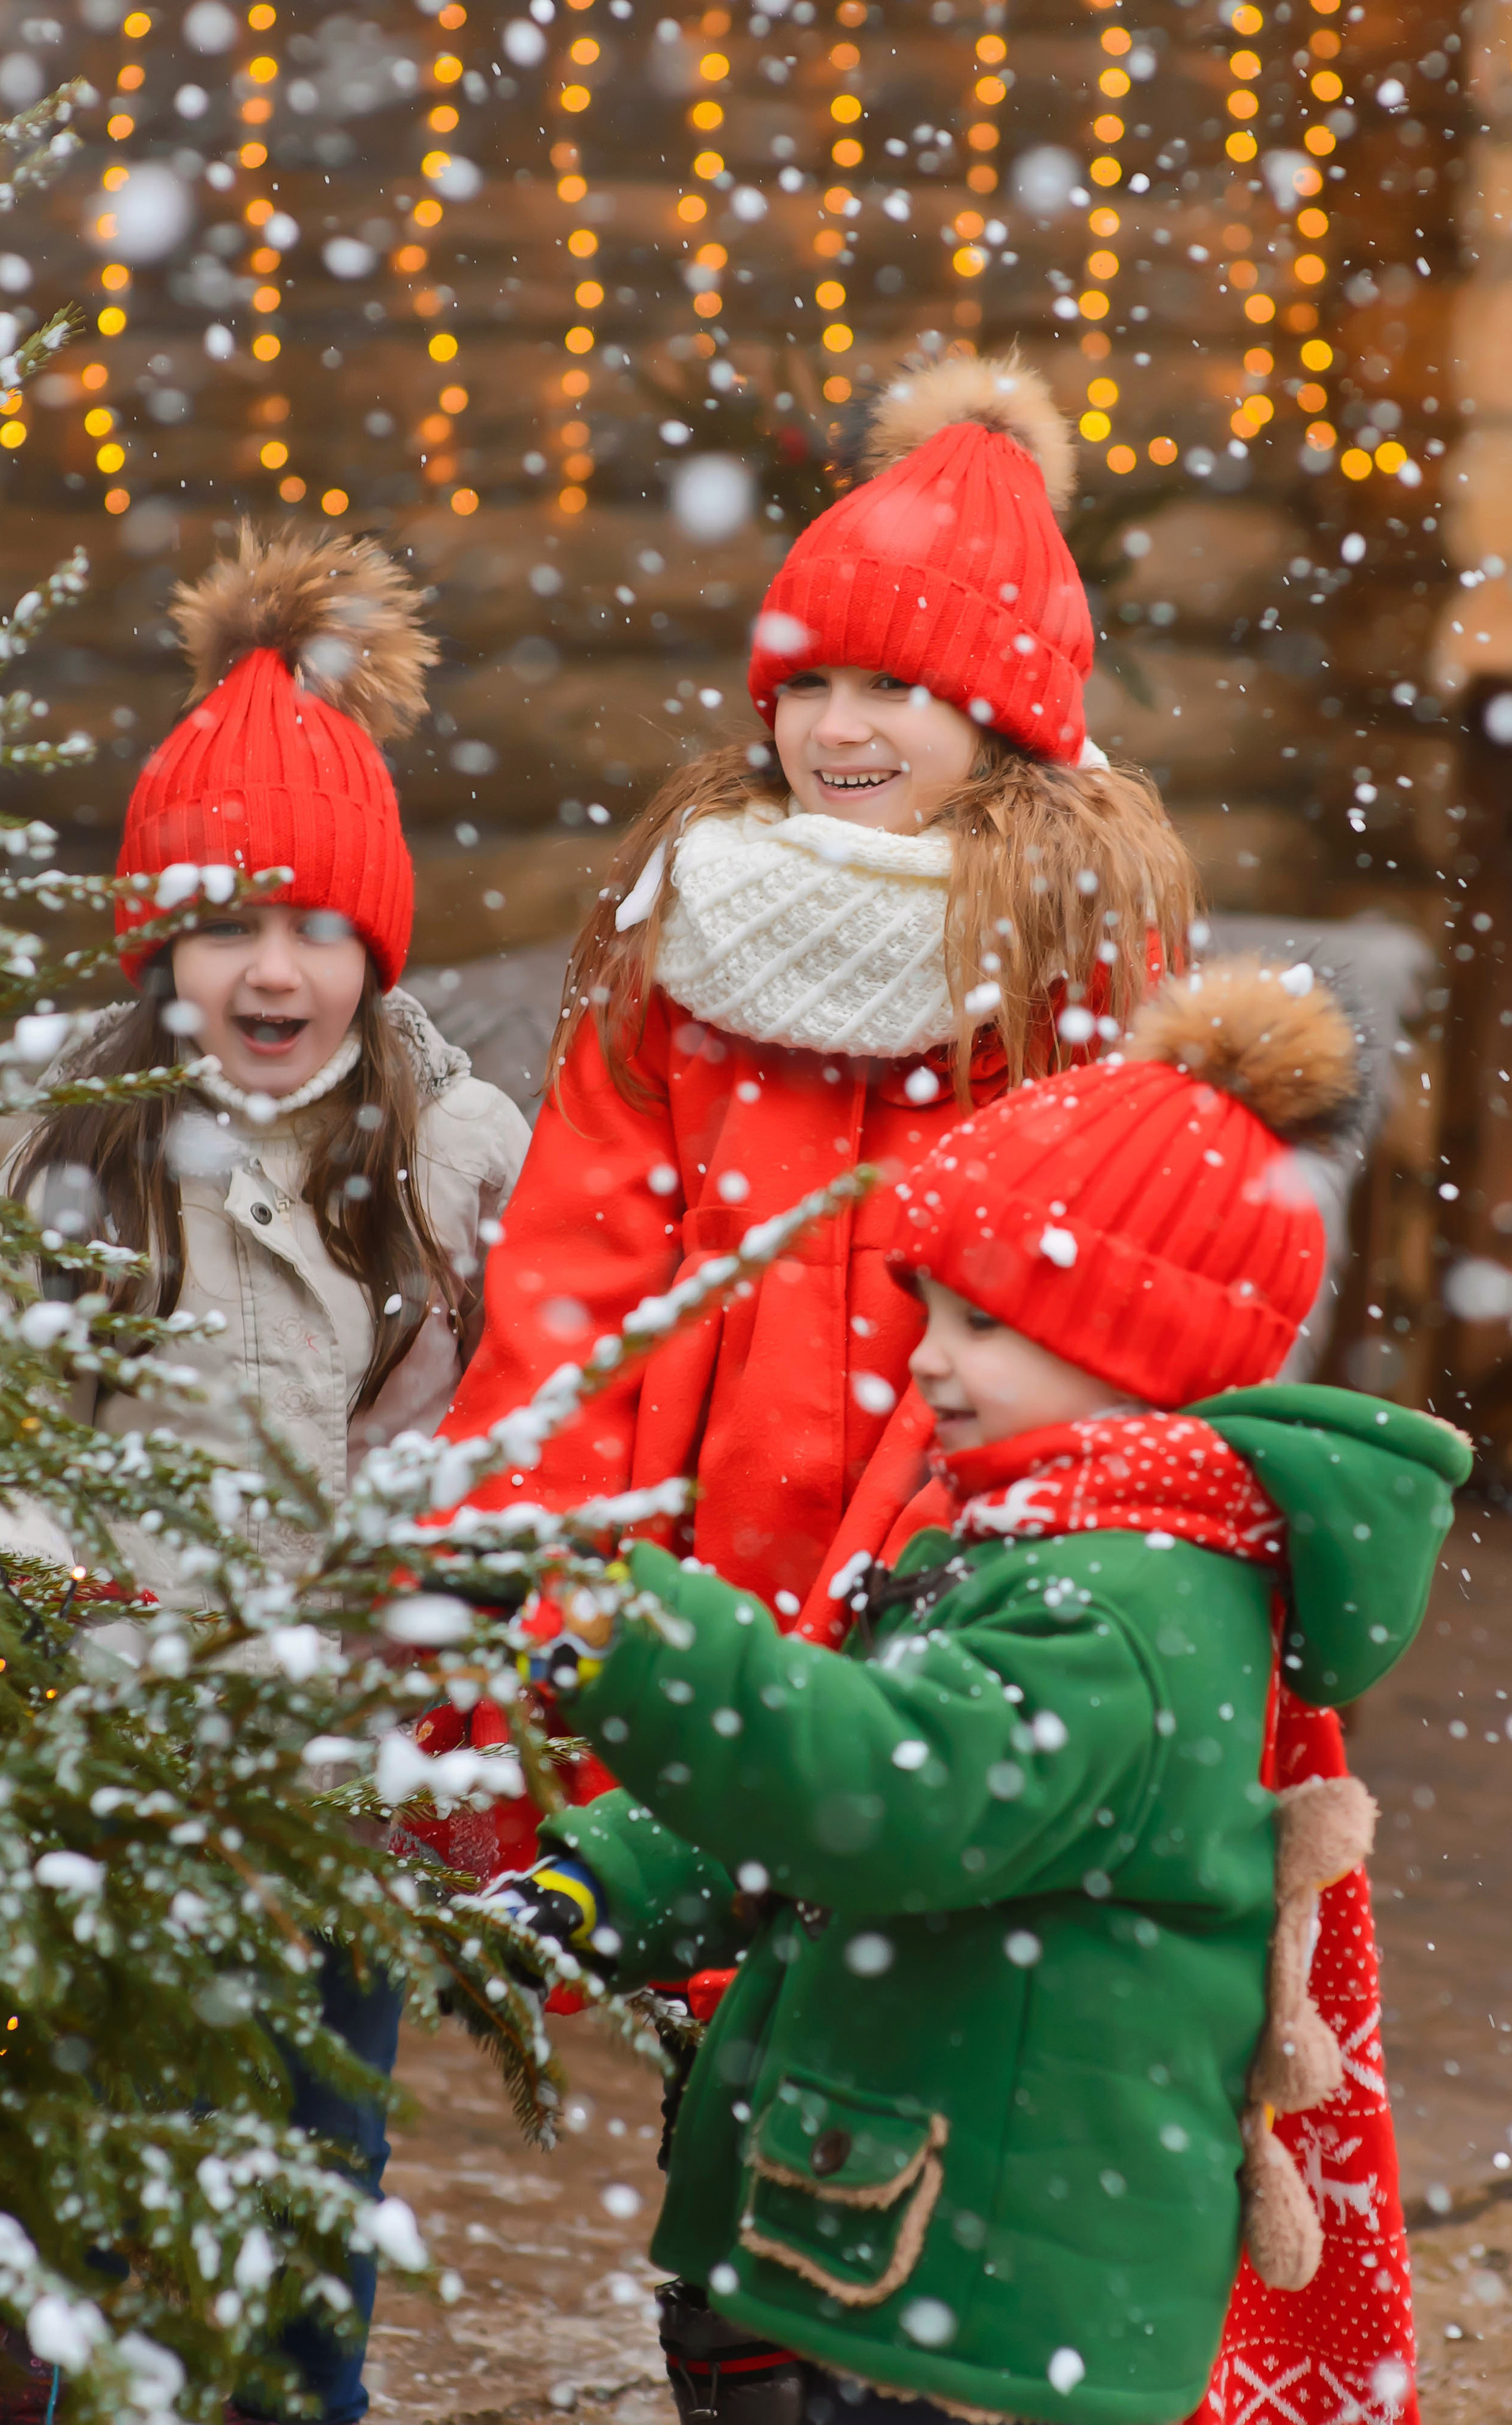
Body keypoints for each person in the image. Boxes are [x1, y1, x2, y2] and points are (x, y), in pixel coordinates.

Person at [502, 960, 1463, 2425]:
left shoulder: (1129, 1602)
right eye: (929, 1309)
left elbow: (891, 1794)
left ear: (1136, 1350)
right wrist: (609, 1875)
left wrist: (639, 1634)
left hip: (997, 2292)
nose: (927, 1359)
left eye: (980, 1327)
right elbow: (858, 1753)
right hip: (944, 2251)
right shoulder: (1037, 1541)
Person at [412, 352, 1198, 1882]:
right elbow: (576, 1263)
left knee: (878, 1933)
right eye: (807, 683)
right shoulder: (685, 929)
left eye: (895, 686)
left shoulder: (1073, 972)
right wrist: (520, 1516)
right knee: (677, 1924)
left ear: (1001, 717)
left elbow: (1088, 1304)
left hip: (933, 1539)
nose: (836, 727)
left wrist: (960, 1544)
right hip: (694, 1533)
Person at [0, 524, 530, 2425]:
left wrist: (419, 1613)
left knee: (313, 2157)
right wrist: (51, 1609)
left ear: (377, 947)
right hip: (108, 1750)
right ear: (161, 951)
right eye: (224, 925)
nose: (269, 969)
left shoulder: (457, 1164)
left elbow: (501, 1435)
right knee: (69, 2158)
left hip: (328, 1784)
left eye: (313, 926)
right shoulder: (85, 1157)